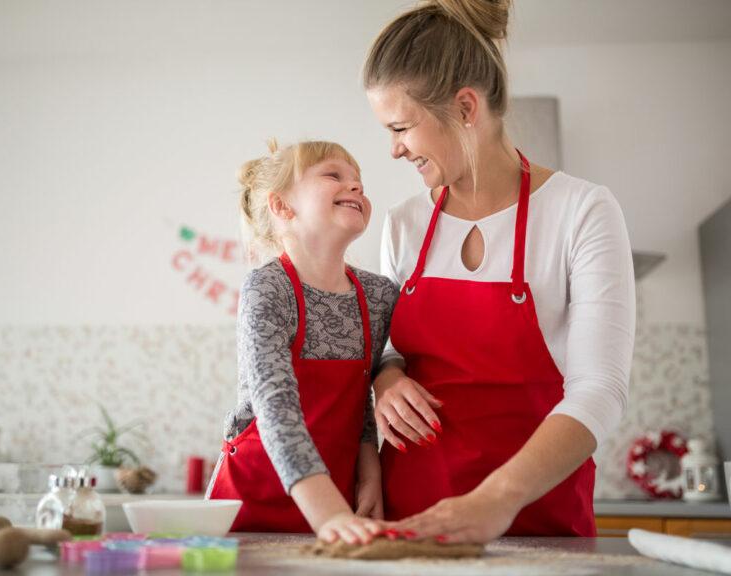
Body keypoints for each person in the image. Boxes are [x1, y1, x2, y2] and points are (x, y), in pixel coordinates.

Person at [363, 0, 636, 542]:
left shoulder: (581, 211)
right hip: (411, 527)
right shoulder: (403, 225)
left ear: (466, 107)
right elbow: (390, 350)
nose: (393, 150)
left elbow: (599, 389)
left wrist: (497, 499)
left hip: (538, 523)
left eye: (401, 127)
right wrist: (386, 379)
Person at [206, 139, 399, 544]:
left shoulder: (379, 296)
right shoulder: (267, 287)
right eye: (334, 175)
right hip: (249, 509)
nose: (356, 186)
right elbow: (274, 403)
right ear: (282, 208)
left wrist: (370, 471)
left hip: (339, 509)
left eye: (358, 181)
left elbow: (360, 397)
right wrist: (325, 512)